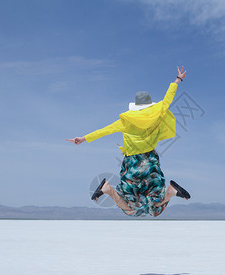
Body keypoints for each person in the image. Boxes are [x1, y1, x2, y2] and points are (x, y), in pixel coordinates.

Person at [68, 66, 191, 217]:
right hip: (150, 162)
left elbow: (105, 130)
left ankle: (108, 190)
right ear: (149, 104)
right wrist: (177, 80)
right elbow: (168, 99)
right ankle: (170, 192)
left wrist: (83, 139)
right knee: (155, 209)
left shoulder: (126, 121)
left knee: (132, 210)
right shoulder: (158, 113)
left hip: (131, 165)